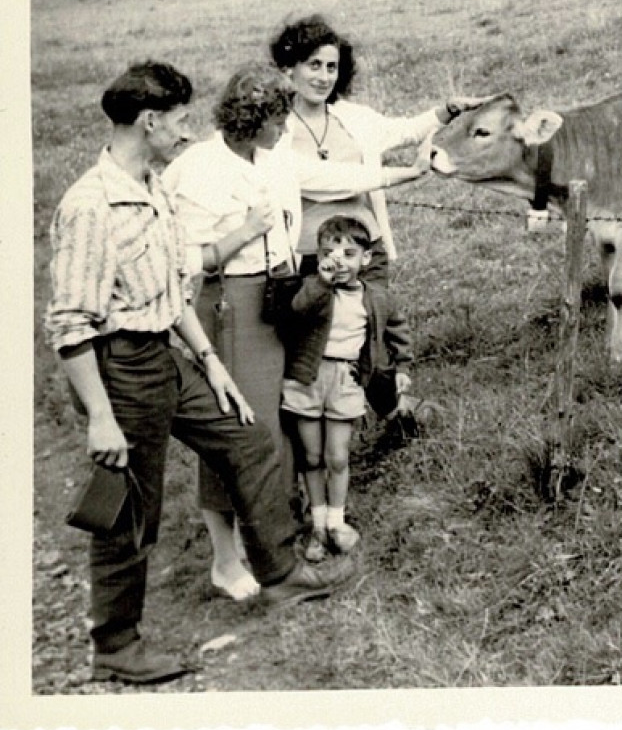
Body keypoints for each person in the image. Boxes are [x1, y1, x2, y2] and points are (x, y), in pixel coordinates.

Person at [45, 62, 355, 686]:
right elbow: (70, 325)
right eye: (181, 121)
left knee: (248, 442)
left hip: (168, 354)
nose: (188, 134)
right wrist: (101, 417)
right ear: (149, 120)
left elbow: (171, 290)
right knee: (130, 504)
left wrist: (212, 365)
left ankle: (282, 574)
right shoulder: (91, 205)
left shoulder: (153, 185)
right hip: (119, 367)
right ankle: (116, 643)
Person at [161, 64, 302, 601]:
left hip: (269, 299)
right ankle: (225, 560)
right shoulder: (201, 168)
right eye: (279, 119)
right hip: (228, 306)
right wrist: (246, 231)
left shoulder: (260, 156)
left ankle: (262, 540)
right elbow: (186, 261)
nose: (285, 129)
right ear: (255, 117)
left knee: (262, 425)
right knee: (232, 427)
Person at [269, 14, 471, 281]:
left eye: (332, 67)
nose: (324, 77)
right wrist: (406, 173)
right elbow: (329, 179)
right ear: (289, 69)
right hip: (309, 261)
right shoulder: (275, 129)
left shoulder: (353, 116)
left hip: (366, 252)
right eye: (314, 65)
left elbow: (405, 131)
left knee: (374, 320)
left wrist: (449, 109)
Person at [278, 214, 411, 561]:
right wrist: (321, 282)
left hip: (346, 381)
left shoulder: (375, 297)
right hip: (307, 379)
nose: (339, 262)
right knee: (311, 456)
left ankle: (336, 521)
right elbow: (296, 310)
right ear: (319, 257)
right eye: (329, 254)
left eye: (350, 254)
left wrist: (402, 367)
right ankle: (317, 526)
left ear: (366, 259)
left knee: (337, 456)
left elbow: (397, 330)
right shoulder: (314, 289)